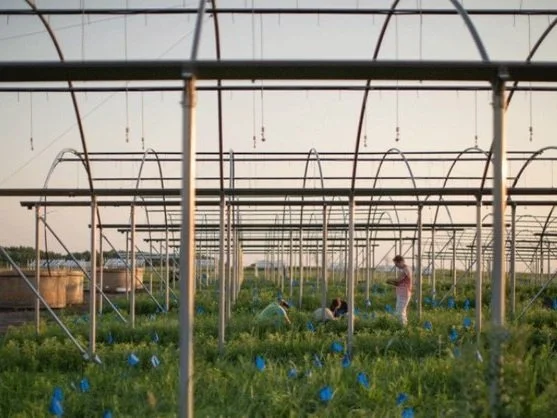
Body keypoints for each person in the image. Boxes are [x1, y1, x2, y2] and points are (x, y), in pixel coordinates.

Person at [387, 255, 412, 326]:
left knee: (400, 311)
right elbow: (399, 282)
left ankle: (403, 327)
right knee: (400, 310)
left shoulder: (406, 269)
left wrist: (390, 279)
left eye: (396, 264)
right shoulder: (405, 269)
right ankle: (402, 325)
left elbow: (398, 279)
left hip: (404, 293)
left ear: (401, 262)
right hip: (402, 293)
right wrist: (392, 282)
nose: (396, 266)